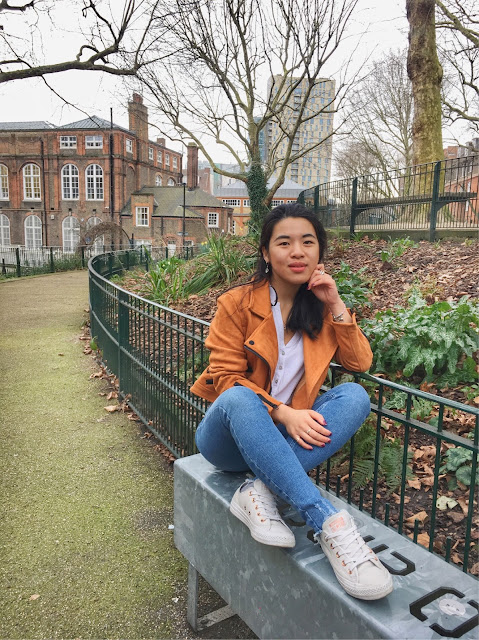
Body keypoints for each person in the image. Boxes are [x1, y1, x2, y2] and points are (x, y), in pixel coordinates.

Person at [190, 203, 393, 601]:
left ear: (319, 253)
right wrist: (283, 413)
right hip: (229, 438)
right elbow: (226, 379)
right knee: (239, 395)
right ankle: (327, 522)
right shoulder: (237, 304)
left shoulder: (318, 308)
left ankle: (259, 491)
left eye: (307, 242)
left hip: (283, 440)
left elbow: (360, 362)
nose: (297, 252)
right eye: (284, 242)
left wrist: (335, 304)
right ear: (266, 252)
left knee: (354, 395)